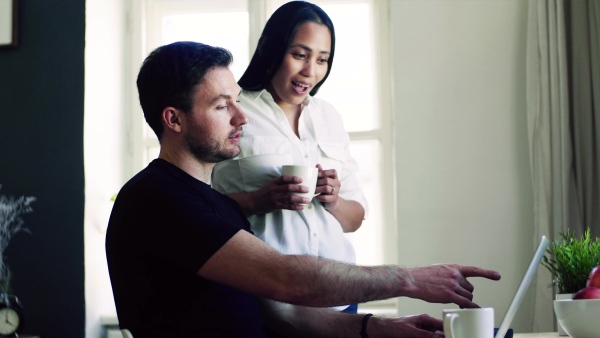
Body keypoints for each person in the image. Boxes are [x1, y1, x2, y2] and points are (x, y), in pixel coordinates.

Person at [105, 40, 501, 338]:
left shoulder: (220, 207)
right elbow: (288, 278)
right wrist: (409, 278)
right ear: (173, 119)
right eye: (222, 105)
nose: (242, 117)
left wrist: (379, 328)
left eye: (238, 101)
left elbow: (284, 313)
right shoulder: (155, 197)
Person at [211, 0, 365, 316]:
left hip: (339, 295)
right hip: (266, 299)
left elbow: (355, 218)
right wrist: (259, 200)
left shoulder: (329, 117)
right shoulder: (235, 111)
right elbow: (198, 208)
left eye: (322, 59)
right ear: (272, 49)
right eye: (300, 55)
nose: (311, 71)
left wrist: (334, 200)